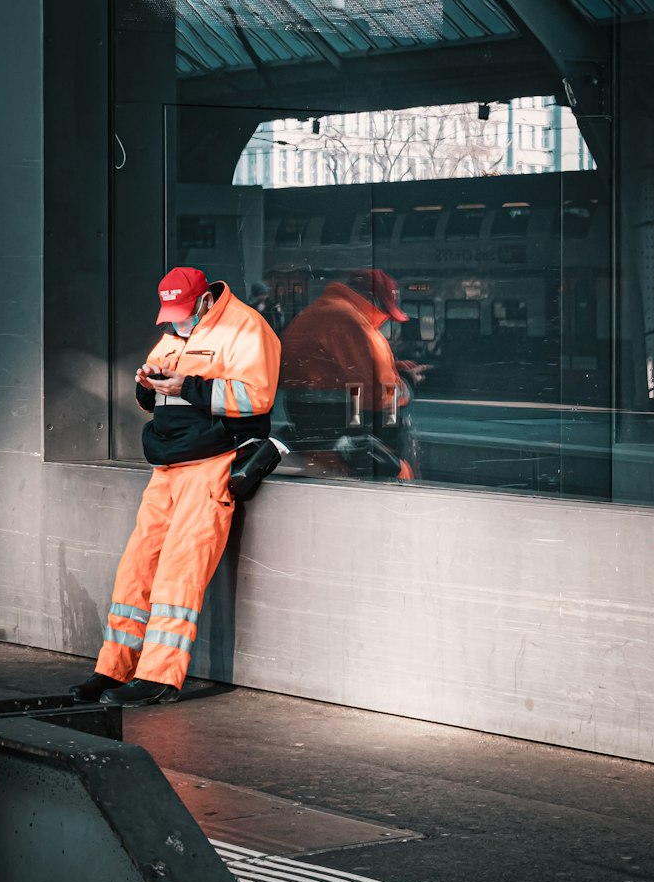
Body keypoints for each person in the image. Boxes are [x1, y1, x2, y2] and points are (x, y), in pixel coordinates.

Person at [70, 266, 281, 707]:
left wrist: (190, 384)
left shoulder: (245, 328)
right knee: (136, 568)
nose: (175, 321)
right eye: (170, 314)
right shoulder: (174, 333)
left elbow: (255, 397)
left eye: (182, 312)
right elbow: (164, 395)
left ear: (205, 299)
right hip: (167, 465)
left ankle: (159, 678)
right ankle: (113, 670)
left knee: (178, 573)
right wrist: (146, 387)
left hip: (211, 464)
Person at [281, 267, 424, 480]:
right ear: (371, 299)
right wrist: (404, 384)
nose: (384, 318)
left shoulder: (320, 311)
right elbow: (381, 392)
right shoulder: (352, 321)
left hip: (313, 434)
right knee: (401, 473)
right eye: (385, 310)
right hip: (344, 434)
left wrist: (393, 365)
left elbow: (335, 368)